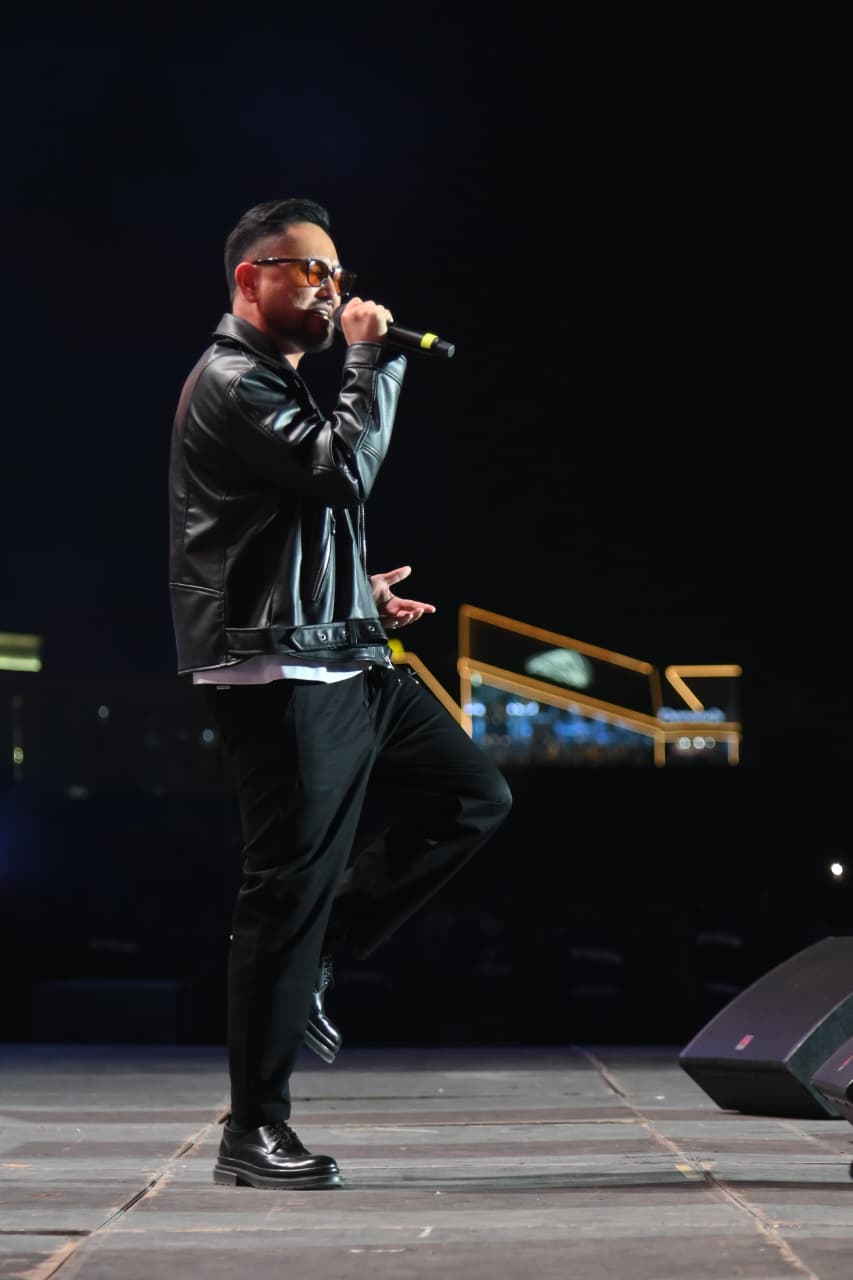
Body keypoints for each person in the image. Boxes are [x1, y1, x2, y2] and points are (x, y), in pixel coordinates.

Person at [168, 197, 513, 1190]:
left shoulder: (273, 382)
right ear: (251, 279)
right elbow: (341, 472)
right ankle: (253, 1128)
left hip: (338, 645)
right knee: (284, 889)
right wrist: (372, 359)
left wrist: (354, 590)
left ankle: (329, 945)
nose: (330, 290)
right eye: (309, 270)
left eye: (336, 273)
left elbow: (284, 518)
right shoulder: (232, 378)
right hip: (279, 668)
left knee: (471, 795)